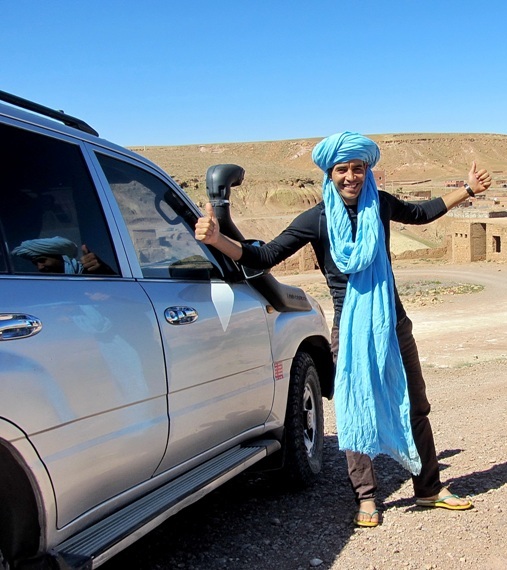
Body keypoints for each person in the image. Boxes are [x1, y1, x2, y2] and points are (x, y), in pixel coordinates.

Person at [195, 131, 492, 528]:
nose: (351, 176)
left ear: (367, 170)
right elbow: (265, 255)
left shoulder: (380, 204)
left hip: (393, 322)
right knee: (355, 407)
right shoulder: (317, 219)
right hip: (350, 329)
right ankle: (366, 497)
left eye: (358, 168)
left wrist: (467, 190)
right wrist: (218, 241)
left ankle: (429, 488)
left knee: (415, 404)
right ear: (330, 173)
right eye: (343, 169)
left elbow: (421, 213)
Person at [11, 237, 112, 274]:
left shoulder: (88, 272)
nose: (40, 267)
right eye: (35, 263)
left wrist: (103, 269)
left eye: (42, 260)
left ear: (61, 256)